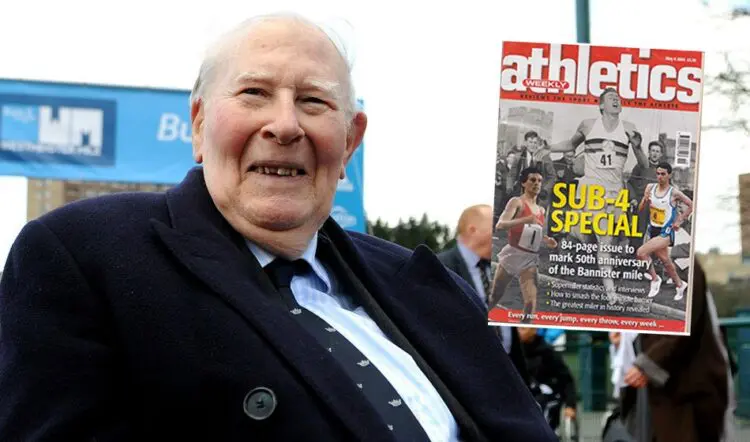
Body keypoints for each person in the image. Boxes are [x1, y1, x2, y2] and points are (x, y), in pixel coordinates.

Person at [0, 13, 557, 442]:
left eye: (313, 101)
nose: (285, 125)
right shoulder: (87, 257)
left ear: (350, 143)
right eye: (254, 93)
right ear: (198, 124)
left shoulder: (428, 285)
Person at [548, 87, 648, 304]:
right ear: (601, 105)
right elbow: (570, 144)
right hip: (593, 191)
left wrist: (638, 147)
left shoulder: (629, 128)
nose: (616, 100)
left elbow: (644, 164)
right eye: (611, 98)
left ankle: (571, 234)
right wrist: (549, 148)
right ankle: (611, 294)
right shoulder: (588, 125)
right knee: (605, 241)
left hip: (616, 193)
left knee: (604, 240)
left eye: (618, 98)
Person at [621, 262, 732, 442]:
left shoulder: (683, 263)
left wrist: (647, 364)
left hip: (687, 391)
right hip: (668, 390)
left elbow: (682, 326)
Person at [437, 204, 530, 387]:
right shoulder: (438, 267)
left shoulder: (505, 267)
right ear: (473, 230)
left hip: (509, 376)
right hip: (463, 379)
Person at [488, 166, 558, 323]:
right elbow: (500, 225)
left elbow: (536, 233)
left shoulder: (541, 210)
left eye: (539, 180)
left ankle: (523, 333)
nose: (537, 183)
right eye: (532, 180)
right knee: (495, 296)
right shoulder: (516, 202)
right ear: (523, 183)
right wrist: (525, 219)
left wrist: (547, 240)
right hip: (513, 254)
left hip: (530, 259)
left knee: (530, 303)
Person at [635, 162, 692, 300]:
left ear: (669, 175)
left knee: (641, 253)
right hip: (653, 229)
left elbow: (691, 204)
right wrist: (644, 199)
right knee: (666, 261)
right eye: (658, 174)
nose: (660, 177)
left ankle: (655, 279)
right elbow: (640, 210)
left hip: (666, 232)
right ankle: (680, 284)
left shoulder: (674, 192)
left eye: (663, 174)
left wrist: (680, 220)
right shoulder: (650, 187)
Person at [516, 327, 577, 434]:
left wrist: (570, 405)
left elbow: (567, 380)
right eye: (518, 329)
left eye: (523, 329)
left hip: (548, 395)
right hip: (525, 393)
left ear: (534, 330)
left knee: (539, 405)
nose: (519, 332)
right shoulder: (514, 353)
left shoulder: (548, 352)